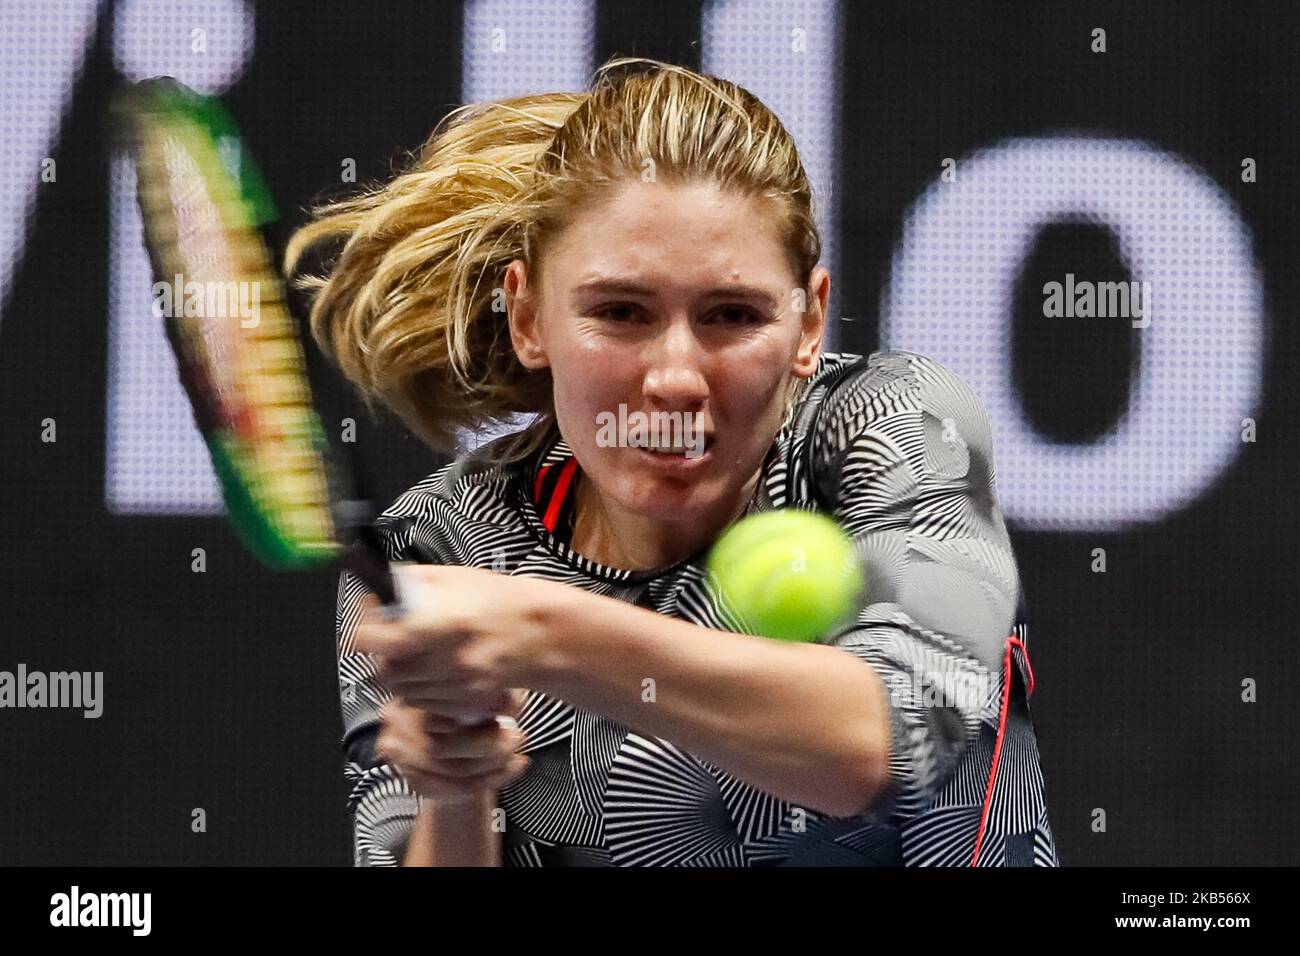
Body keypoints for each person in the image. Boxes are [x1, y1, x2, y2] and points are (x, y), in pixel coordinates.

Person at [285, 56, 1057, 867]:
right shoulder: (444, 545)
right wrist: (455, 789)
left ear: (808, 323)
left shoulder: (890, 424)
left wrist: (538, 632)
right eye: (620, 312)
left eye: (732, 314)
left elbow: (890, 748)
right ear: (527, 317)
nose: (677, 378)